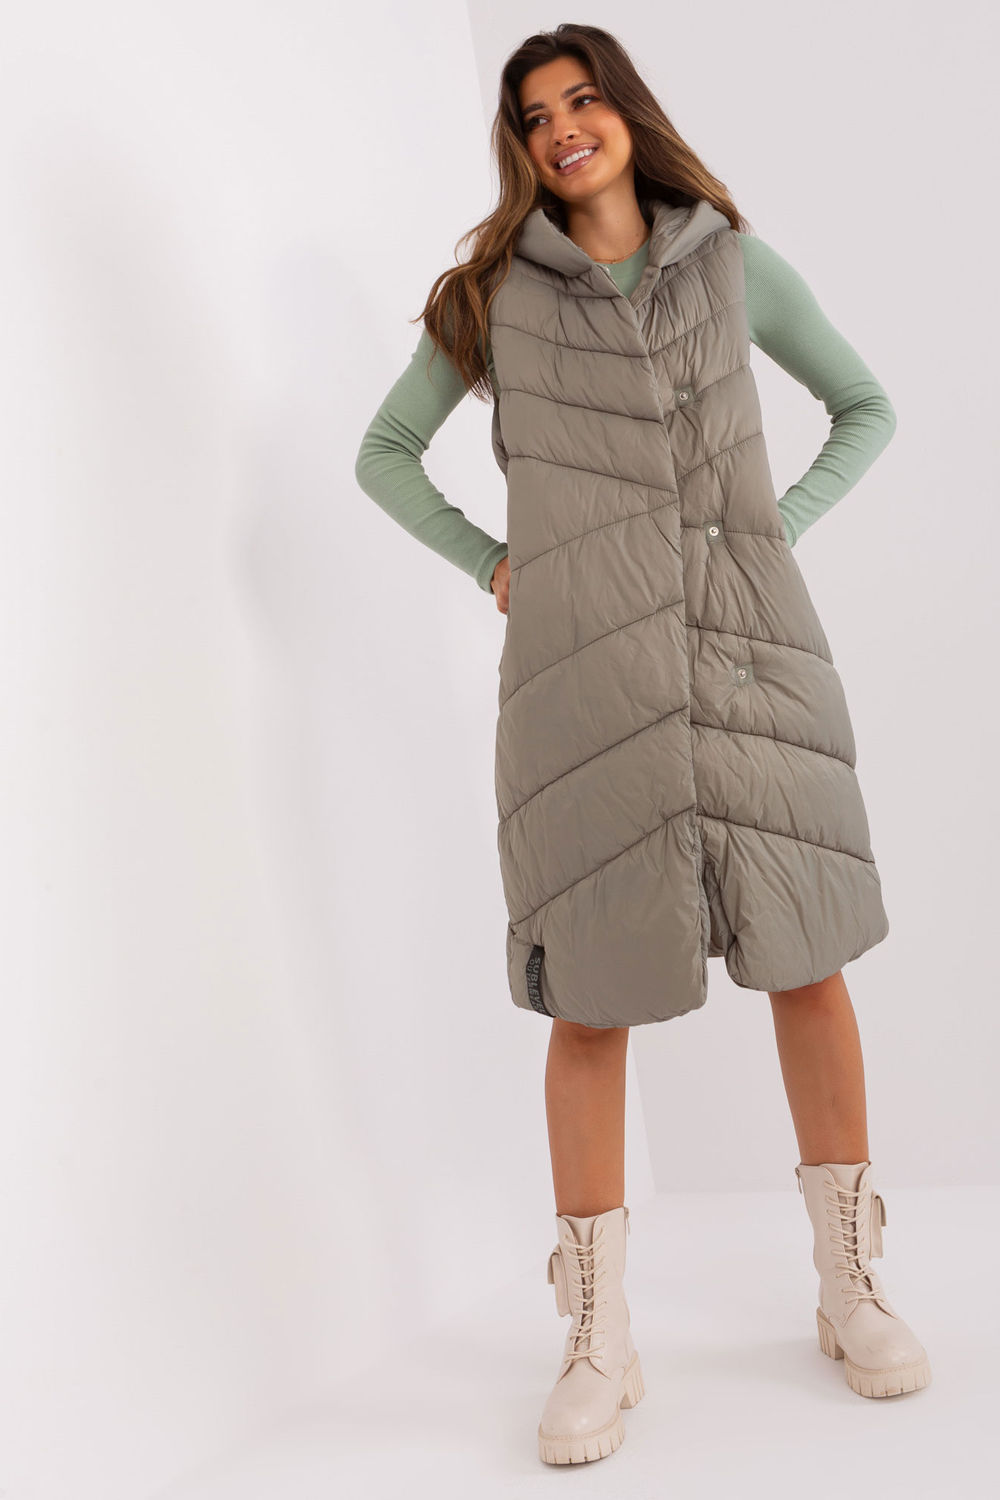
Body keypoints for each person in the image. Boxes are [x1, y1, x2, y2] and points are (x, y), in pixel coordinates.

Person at [355, 22, 930, 1468]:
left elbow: (865, 406)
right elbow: (383, 455)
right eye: (534, 113)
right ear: (519, 145)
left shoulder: (734, 264)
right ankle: (598, 1337)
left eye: (582, 98)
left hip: (752, 663)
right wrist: (496, 561)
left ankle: (851, 1283)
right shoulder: (491, 298)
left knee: (809, 962)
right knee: (590, 1001)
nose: (562, 126)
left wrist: (769, 534)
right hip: (583, 686)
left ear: (626, 112)